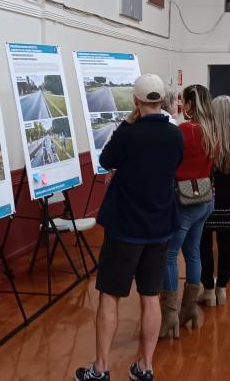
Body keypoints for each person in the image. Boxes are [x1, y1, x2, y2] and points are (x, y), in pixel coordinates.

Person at [76, 74, 183, 381]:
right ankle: (145, 366)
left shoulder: (128, 133)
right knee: (151, 297)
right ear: (161, 100)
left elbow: (106, 159)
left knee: (110, 296)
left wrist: (126, 124)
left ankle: (100, 369)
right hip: (160, 227)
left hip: (125, 229)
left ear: (136, 102)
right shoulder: (175, 136)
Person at [160, 84, 216, 339]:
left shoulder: (184, 130)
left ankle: (170, 315)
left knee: (170, 255)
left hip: (183, 201)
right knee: (193, 253)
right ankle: (189, 310)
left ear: (192, 104)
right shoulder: (212, 131)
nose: (182, 105)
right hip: (205, 199)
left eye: (185, 101)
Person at [198, 95, 230, 307]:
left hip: (207, 199)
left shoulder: (206, 140)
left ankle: (208, 289)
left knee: (204, 246)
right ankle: (222, 289)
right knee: (227, 246)